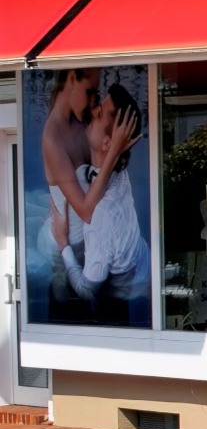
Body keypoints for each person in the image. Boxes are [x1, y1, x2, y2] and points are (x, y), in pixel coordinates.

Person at [49, 85, 150, 315]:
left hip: (123, 291)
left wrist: (62, 243)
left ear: (108, 144)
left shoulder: (101, 215)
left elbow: (86, 288)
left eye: (100, 113)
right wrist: (114, 149)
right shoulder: (116, 173)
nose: (93, 111)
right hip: (137, 262)